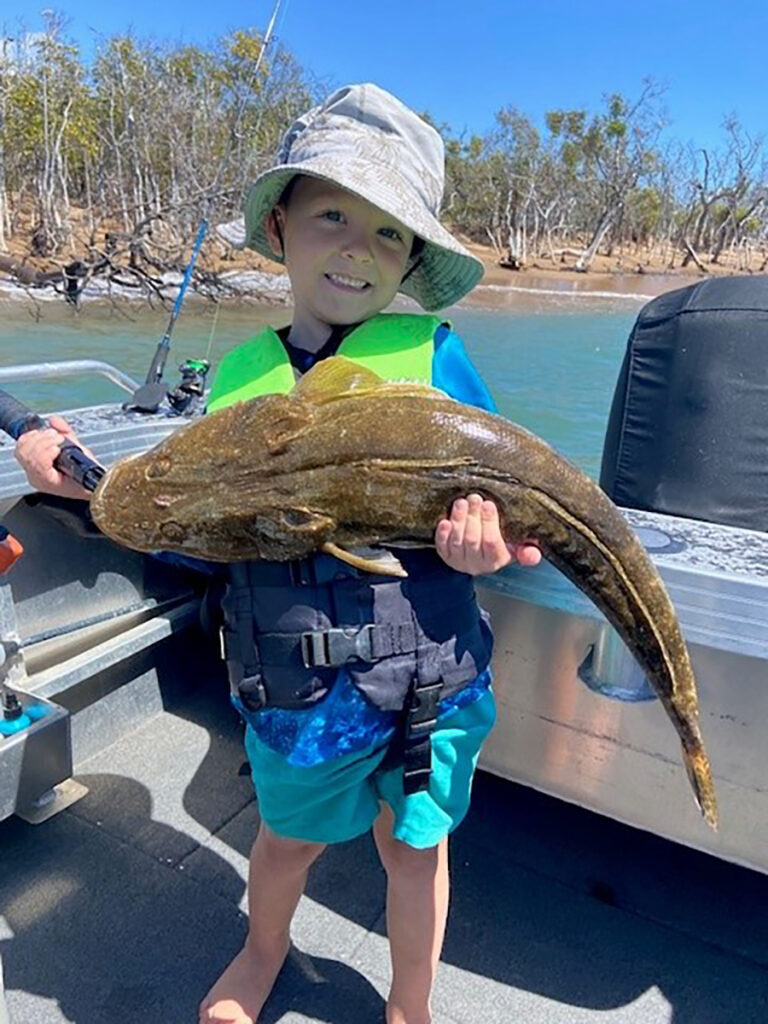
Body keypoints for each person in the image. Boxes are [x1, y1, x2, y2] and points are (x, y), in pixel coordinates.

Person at [15, 83, 540, 1024]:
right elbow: (201, 519)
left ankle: (410, 1005)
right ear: (282, 222)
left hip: (432, 680)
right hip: (294, 684)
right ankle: (264, 951)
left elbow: (503, 505)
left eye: (388, 233)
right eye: (333, 214)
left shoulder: (438, 356)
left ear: (412, 260)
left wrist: (483, 552)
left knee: (416, 848)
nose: (356, 248)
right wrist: (86, 485)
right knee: (286, 841)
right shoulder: (239, 376)